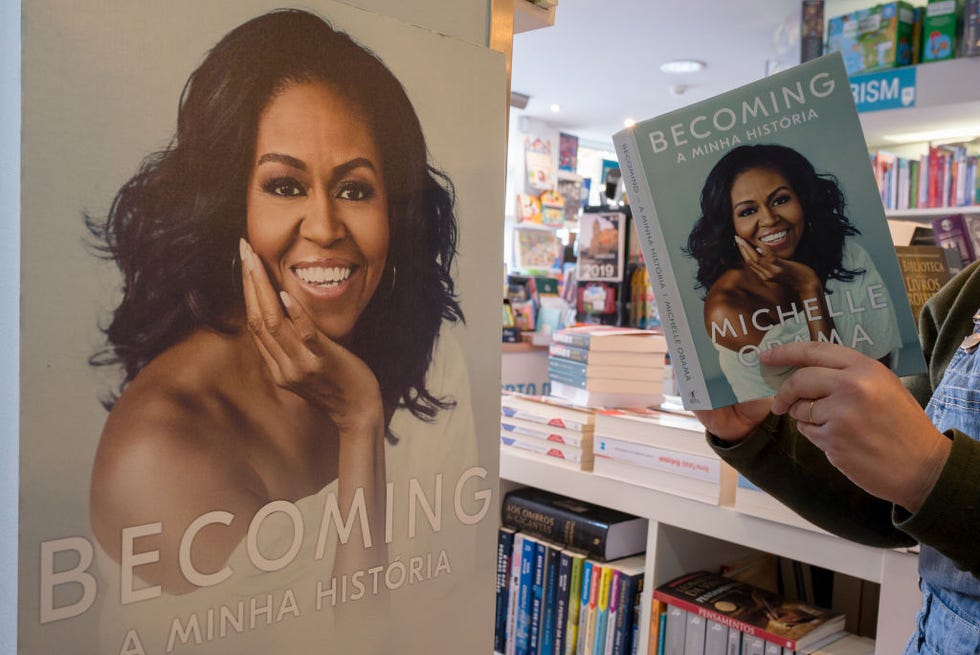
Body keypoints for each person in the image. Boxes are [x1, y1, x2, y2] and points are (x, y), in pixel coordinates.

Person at [86, 8, 480, 651]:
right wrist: (359, 423)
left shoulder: (435, 361)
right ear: (226, 205)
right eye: (285, 185)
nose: (325, 226)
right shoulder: (157, 454)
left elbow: (449, 606)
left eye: (355, 190)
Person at [695, 256, 980, 652]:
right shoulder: (967, 295)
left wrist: (932, 472)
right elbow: (889, 507)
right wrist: (756, 431)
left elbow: (920, 477)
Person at [685, 144, 901, 401]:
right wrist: (809, 288)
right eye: (748, 211)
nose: (769, 219)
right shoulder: (727, 306)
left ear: (803, 200)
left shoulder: (849, 256)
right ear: (730, 225)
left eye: (780, 200)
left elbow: (883, 366)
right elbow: (823, 394)